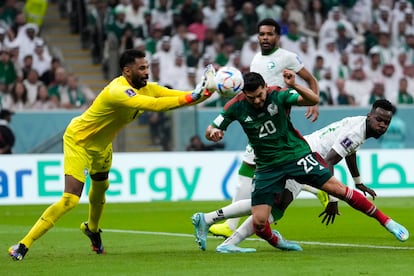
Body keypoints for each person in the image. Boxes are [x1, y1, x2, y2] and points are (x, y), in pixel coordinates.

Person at [8, 49, 217, 261]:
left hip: (102, 146)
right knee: (70, 199)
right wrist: (195, 94)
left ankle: (92, 229)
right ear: (127, 71)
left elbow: (182, 97)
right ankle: (23, 244)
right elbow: (156, 105)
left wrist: (206, 92)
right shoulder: (118, 91)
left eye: (147, 67)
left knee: (101, 188)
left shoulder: (147, 88)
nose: (147, 72)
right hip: (79, 140)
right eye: (142, 68)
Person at [192, 71, 409, 253]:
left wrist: (356, 182)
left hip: (296, 155)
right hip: (270, 164)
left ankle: (387, 221)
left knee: (292, 202)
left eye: (260, 96)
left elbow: (315, 103)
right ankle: (220, 227)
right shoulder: (235, 105)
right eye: (252, 98)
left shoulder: (277, 95)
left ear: (265, 88)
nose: (257, 101)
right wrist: (213, 133)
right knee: (265, 218)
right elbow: (213, 127)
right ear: (244, 95)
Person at [209, 18, 323, 238]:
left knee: (247, 168)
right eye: (262, 34)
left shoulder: (287, 57)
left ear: (277, 36)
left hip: (273, 116)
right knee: (262, 167)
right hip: (259, 115)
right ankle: (313, 187)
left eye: (269, 34)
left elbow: (310, 78)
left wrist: (314, 102)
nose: (265, 38)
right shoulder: (256, 59)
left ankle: (230, 225)